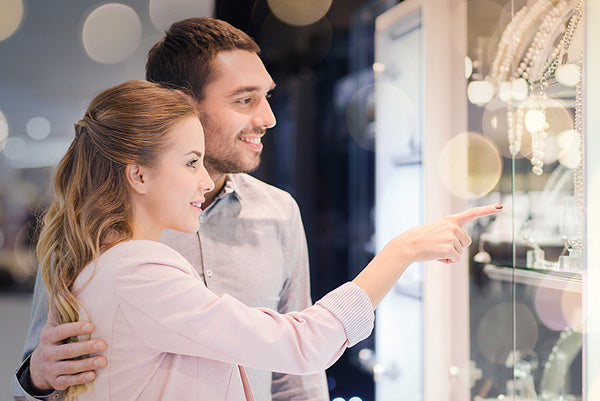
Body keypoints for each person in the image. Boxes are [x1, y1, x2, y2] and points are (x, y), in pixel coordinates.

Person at [33, 79, 500, 401]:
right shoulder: (139, 270)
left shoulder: (106, 263)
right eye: (191, 162)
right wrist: (403, 251)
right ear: (138, 174)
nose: (203, 181)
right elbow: (301, 343)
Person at [12, 18, 329, 401]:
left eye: (267, 97)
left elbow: (297, 378)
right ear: (180, 103)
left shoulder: (279, 212)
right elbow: (42, 368)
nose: (268, 119)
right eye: (245, 100)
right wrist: (40, 375)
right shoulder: (97, 227)